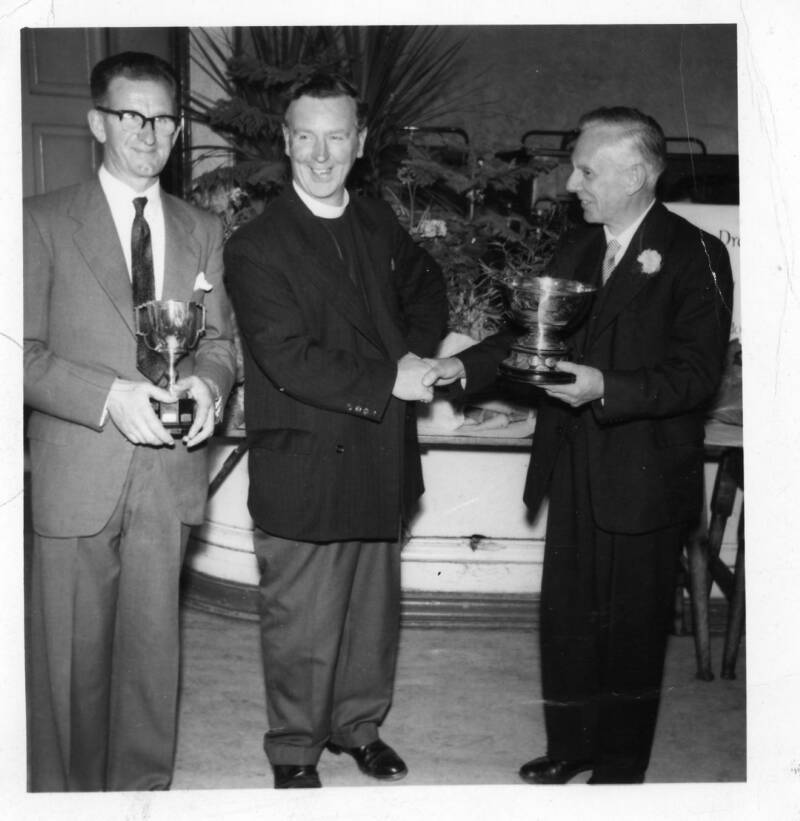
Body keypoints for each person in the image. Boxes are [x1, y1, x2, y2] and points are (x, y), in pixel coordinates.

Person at [423, 107, 733, 784]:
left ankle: (619, 771)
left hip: (642, 475)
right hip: (572, 464)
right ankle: (572, 744)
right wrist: (463, 367)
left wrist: (604, 387)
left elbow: (695, 374)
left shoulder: (695, 254)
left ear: (639, 172)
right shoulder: (579, 248)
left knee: (630, 631)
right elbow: (529, 337)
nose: (570, 183)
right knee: (567, 618)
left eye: (587, 169)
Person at [223, 72, 447, 790]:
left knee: (370, 616)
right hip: (307, 456)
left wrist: (413, 351)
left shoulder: (377, 219)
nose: (322, 155)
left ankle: (360, 727)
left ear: (360, 142)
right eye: (306, 138)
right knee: (302, 623)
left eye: (337, 137)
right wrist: (392, 379)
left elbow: (427, 284)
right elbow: (288, 359)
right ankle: (294, 748)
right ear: (287, 141)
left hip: (379, 452)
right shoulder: (256, 245)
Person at [24, 51, 237, 791]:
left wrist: (211, 389)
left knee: (152, 660)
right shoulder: (38, 223)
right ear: (96, 123)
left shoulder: (203, 228)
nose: (151, 134)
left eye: (166, 119)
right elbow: (17, 355)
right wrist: (110, 394)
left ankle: (143, 797)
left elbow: (219, 343)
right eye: (132, 116)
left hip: (169, 472)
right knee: (70, 669)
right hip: (79, 467)